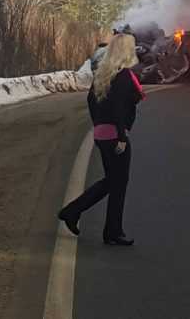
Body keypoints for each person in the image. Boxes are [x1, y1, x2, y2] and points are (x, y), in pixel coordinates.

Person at [58, 33, 145, 245]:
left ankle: (78, 214)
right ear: (126, 51)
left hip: (101, 134)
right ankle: (109, 230)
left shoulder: (103, 74)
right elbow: (118, 106)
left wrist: (98, 124)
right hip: (116, 136)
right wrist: (122, 135)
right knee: (118, 183)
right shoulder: (123, 75)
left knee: (111, 181)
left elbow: (91, 100)